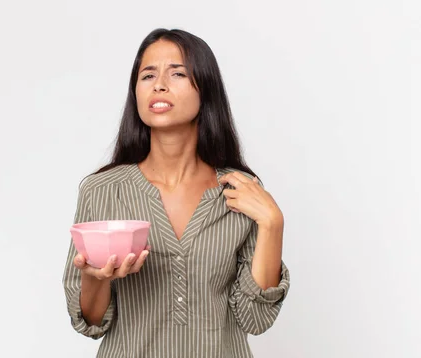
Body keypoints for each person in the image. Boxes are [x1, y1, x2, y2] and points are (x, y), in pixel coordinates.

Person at [62, 28, 290, 357]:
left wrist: (273, 224)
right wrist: (97, 278)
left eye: (178, 73)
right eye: (148, 75)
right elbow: (91, 322)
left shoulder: (240, 192)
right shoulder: (102, 190)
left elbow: (255, 318)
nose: (159, 84)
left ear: (206, 89)